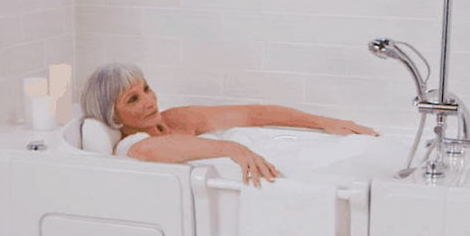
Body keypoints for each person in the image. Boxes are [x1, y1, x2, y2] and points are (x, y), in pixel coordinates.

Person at [80, 62, 378, 186]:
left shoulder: (175, 119)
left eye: (146, 89)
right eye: (132, 99)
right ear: (114, 117)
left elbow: (252, 114)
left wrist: (324, 122)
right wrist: (230, 148)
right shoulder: (135, 148)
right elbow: (169, 148)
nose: (148, 101)